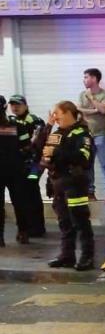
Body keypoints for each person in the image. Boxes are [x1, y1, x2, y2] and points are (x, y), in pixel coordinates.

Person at [34, 101, 95, 271]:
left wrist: (57, 152)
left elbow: (83, 159)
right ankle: (67, 256)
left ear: (68, 112)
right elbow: (38, 148)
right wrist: (48, 126)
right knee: (64, 222)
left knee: (80, 221)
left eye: (57, 113)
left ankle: (87, 257)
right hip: (57, 184)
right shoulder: (56, 133)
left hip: (74, 184)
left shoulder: (81, 134)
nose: (54, 116)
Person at [8, 95, 46, 237]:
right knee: (24, 194)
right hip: (21, 165)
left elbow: (37, 143)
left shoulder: (33, 120)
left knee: (32, 192)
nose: (15, 107)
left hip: (34, 163)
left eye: (17, 104)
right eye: (12, 104)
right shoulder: (13, 122)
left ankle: (37, 227)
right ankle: (30, 226)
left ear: (25, 105)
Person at [78, 68, 105, 204]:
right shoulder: (82, 94)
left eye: (86, 77)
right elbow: (79, 111)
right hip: (87, 135)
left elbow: (104, 110)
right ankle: (90, 192)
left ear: (94, 79)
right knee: (88, 165)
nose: (84, 80)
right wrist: (94, 110)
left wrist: (92, 99)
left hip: (101, 134)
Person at [0, 95, 30, 246]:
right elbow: (26, 146)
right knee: (19, 202)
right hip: (15, 169)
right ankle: (23, 232)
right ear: (5, 107)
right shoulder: (17, 124)